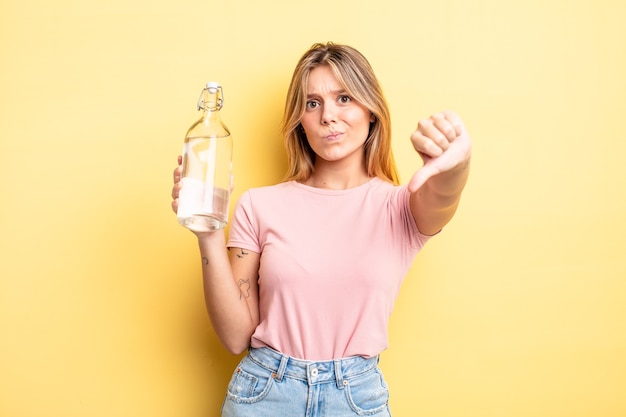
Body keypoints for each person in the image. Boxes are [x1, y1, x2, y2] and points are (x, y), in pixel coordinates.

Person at [171, 42, 471, 417]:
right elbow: (235, 338)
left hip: (356, 397)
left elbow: (442, 198)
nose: (328, 115)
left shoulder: (399, 208)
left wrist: (456, 164)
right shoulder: (259, 205)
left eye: (344, 98)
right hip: (265, 393)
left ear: (371, 111)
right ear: (300, 120)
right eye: (313, 103)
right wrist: (210, 234)